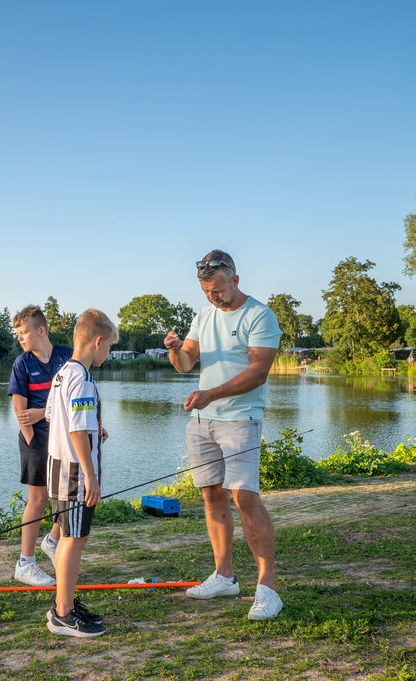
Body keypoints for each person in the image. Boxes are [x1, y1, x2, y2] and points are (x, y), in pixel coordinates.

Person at [163, 250, 284, 621]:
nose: (213, 297)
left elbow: (258, 373)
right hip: (202, 421)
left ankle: (267, 589)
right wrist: (175, 350)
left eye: (217, 290)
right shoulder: (203, 316)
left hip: (240, 419)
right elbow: (186, 365)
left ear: (234, 278)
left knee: (244, 496)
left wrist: (211, 394)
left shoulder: (260, 316)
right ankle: (224, 576)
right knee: (211, 495)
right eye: (206, 292)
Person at [44, 309, 117, 637]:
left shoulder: (62, 374)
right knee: (74, 540)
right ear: (97, 341)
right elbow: (76, 429)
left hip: (56, 469)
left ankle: (65, 602)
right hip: (74, 474)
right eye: (110, 347)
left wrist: (93, 431)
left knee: (67, 538)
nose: (109, 353)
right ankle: (63, 614)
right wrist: (91, 476)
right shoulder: (84, 378)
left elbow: (52, 417)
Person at [7, 306, 70, 586]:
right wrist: (34, 443)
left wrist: (43, 411)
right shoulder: (22, 364)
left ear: (41, 331)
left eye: (23, 332)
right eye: (17, 334)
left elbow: (75, 399)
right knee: (39, 499)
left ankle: (53, 540)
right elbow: (22, 414)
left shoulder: (67, 357)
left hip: (66, 437)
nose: (20, 338)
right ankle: (25, 563)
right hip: (36, 440)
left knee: (68, 497)